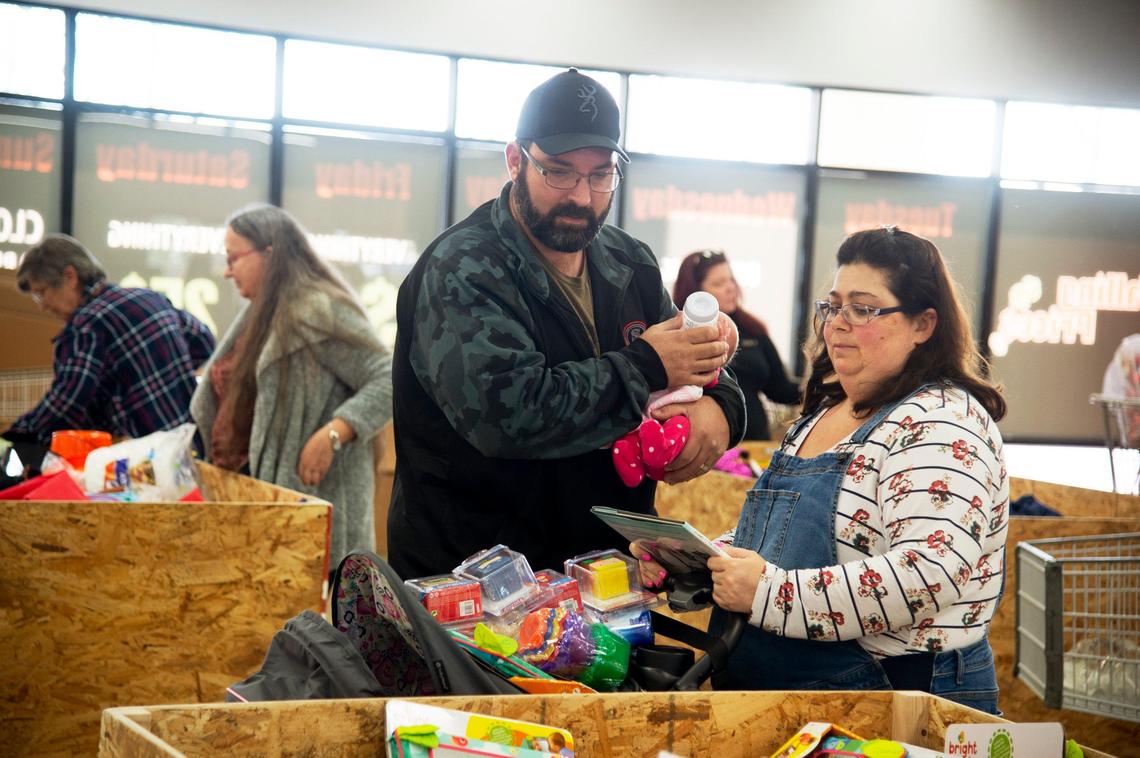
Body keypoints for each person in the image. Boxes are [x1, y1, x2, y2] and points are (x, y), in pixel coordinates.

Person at [388, 68, 746, 579]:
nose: (581, 195)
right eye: (558, 171)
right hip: (477, 590)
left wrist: (720, 412)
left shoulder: (630, 263)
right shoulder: (464, 268)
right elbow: (508, 415)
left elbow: (702, 364)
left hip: (604, 580)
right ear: (515, 161)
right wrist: (645, 366)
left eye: (601, 175)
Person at [648, 227, 1009, 714]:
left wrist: (763, 592)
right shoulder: (829, 411)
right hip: (792, 702)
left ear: (924, 324)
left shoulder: (941, 423)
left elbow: (928, 574)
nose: (837, 324)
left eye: (863, 309)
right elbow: (784, 542)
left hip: (894, 703)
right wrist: (704, 559)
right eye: (834, 305)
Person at [190, 204, 392, 565]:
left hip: (307, 516)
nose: (226, 271)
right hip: (254, 504)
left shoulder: (316, 309)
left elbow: (388, 377)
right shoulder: (259, 311)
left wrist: (334, 432)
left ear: (269, 253)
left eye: (234, 258)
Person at [4, 234, 214, 446]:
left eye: (41, 292)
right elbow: (204, 343)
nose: (42, 305)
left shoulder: (86, 326)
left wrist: (17, 435)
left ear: (70, 276)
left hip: (145, 460)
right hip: (192, 445)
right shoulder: (150, 298)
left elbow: (68, 401)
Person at [673, 249, 800, 440]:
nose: (731, 287)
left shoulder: (753, 329)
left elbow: (780, 389)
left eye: (731, 279)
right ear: (697, 295)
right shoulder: (676, 335)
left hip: (753, 446)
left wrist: (819, 386)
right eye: (719, 283)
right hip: (702, 442)